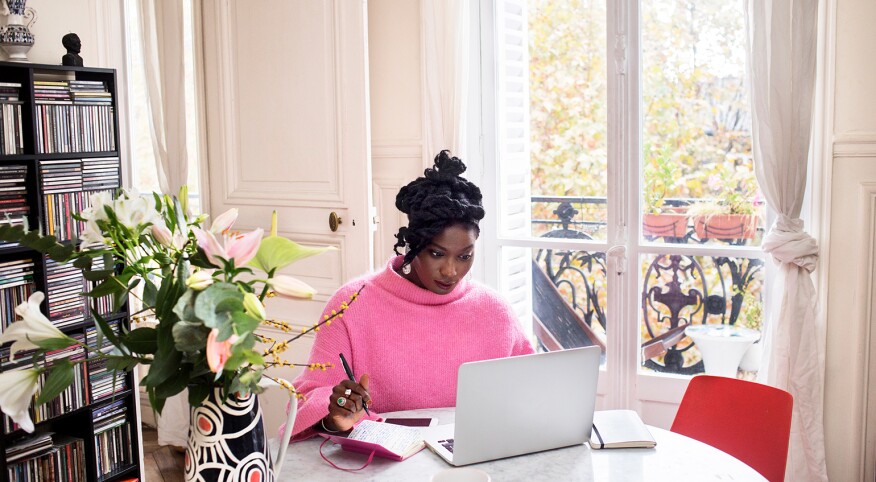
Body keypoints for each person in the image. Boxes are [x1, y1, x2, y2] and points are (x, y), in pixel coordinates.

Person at [285, 150, 534, 440]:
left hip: (476, 459)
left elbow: (532, 389)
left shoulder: (494, 311)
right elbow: (311, 398)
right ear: (413, 245)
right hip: (381, 467)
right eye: (437, 254)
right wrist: (335, 416)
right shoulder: (351, 304)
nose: (451, 271)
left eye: (465, 256)